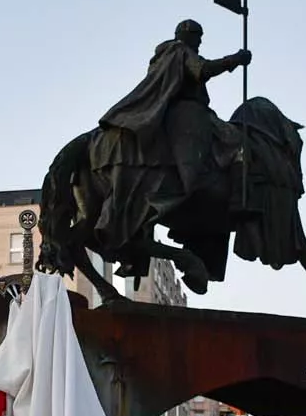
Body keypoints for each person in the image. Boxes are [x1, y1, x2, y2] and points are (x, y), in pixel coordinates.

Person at [91, 20, 251, 291]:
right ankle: (235, 201)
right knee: (238, 143)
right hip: (190, 114)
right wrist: (235, 59)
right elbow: (203, 70)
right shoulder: (180, 50)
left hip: (176, 114)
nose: (200, 43)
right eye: (198, 37)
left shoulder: (163, 56)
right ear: (189, 36)